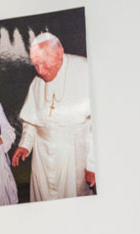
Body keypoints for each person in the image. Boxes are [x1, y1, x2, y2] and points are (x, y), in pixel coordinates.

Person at [13, 31, 96, 201]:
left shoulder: (86, 70)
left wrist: (93, 165)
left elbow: (99, 124)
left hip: (73, 157)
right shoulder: (37, 80)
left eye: (43, 64)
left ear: (59, 53)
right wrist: (26, 144)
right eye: (35, 64)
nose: (40, 71)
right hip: (42, 157)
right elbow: (31, 119)